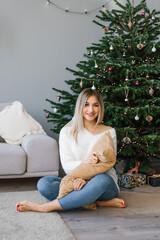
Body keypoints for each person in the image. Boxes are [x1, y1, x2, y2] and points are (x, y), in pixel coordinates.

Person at [16, 88, 126, 212]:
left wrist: (87, 180)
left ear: (100, 107)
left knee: (102, 180)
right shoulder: (67, 131)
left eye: (95, 105)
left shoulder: (109, 132)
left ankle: (47, 206)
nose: (91, 110)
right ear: (80, 107)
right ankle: (98, 203)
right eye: (86, 105)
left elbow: (108, 163)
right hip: (75, 182)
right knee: (44, 183)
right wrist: (85, 167)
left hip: (104, 185)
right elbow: (67, 166)